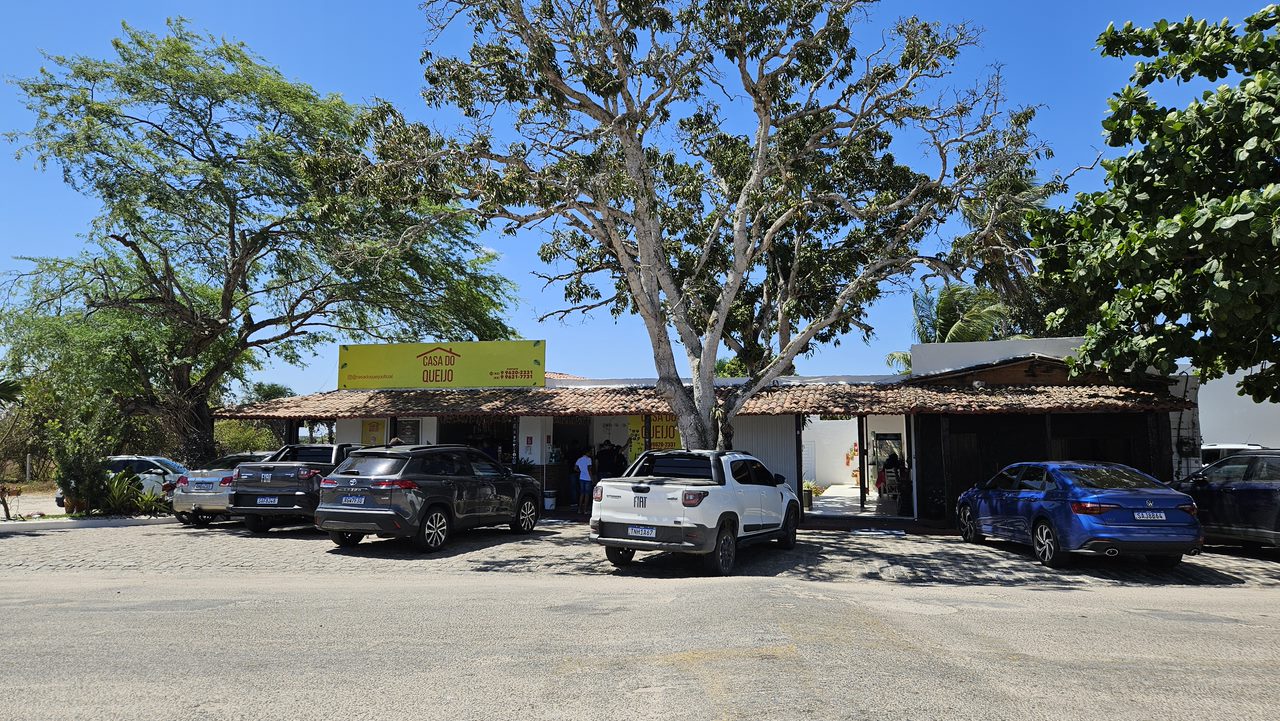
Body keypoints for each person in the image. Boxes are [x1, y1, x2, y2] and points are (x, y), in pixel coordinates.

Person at [574, 449, 594, 514]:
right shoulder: (589, 459)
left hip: (581, 478)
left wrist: (580, 471)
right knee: (587, 495)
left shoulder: (579, 459)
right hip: (588, 478)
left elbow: (575, 468)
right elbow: (589, 470)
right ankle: (585, 510)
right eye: (590, 452)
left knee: (582, 494)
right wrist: (592, 479)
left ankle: (579, 509)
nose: (590, 453)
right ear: (587, 452)